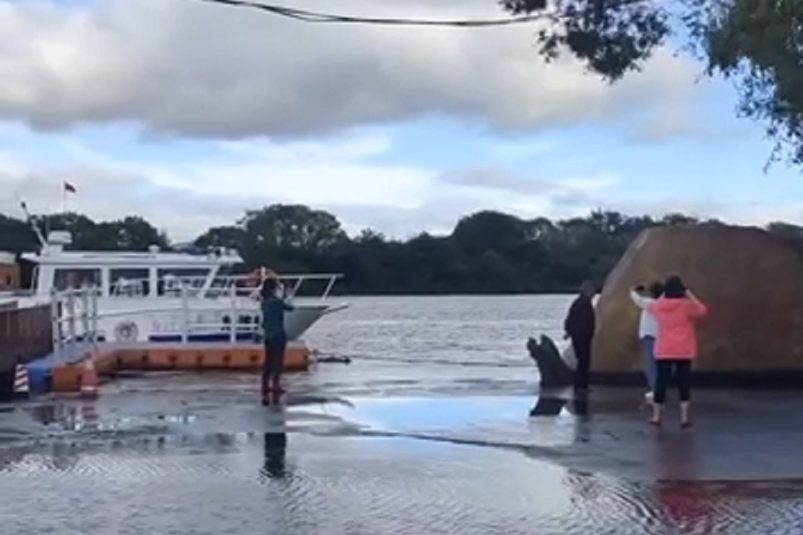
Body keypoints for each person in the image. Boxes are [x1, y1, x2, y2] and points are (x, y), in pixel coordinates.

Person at [630, 275, 707, 428]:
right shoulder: (686, 306)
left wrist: (635, 291)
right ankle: (684, 417)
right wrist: (689, 293)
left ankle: (657, 416)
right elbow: (702, 310)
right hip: (684, 349)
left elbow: (640, 301)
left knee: (661, 382)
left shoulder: (658, 306)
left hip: (664, 348)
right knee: (683, 382)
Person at [260, 277, 294, 400]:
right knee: (278, 361)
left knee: (268, 361)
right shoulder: (277, 302)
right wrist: (287, 292)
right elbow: (290, 307)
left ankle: (264, 384)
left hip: (268, 335)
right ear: (274, 289)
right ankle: (275, 384)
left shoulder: (264, 302)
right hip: (278, 334)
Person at [629, 281, 664, 402]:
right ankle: (659, 388)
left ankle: (655, 390)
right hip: (660, 336)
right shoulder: (664, 304)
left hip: (649, 335)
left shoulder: (650, 303)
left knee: (650, 365)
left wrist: (634, 290)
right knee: (658, 365)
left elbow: (637, 299)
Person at [563, 280, 596, 393]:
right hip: (582, 336)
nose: (594, 293)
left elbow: (570, 318)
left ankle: (581, 385)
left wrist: (568, 331)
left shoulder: (579, 303)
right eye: (592, 291)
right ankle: (580, 386)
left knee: (582, 361)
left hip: (579, 335)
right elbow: (576, 319)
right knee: (584, 361)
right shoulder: (583, 304)